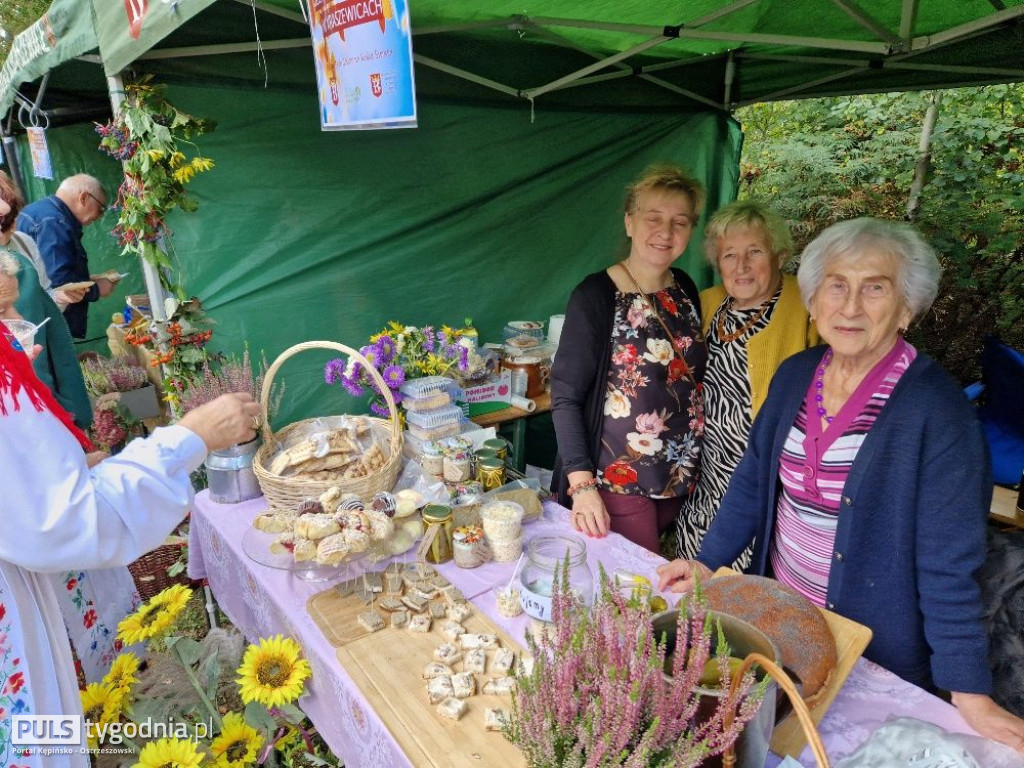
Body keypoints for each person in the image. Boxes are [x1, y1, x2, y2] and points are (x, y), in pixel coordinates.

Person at [656, 218, 1024, 753]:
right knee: (763, 741)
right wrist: (710, 561)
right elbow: (753, 481)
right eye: (836, 284)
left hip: (872, 649)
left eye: (875, 287)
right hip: (784, 620)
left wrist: (968, 692)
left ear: (906, 307)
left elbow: (950, 563)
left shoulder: (938, 414)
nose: (850, 306)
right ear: (813, 299)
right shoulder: (795, 375)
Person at [550, 163, 707, 554]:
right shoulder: (596, 295)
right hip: (620, 481)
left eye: (680, 222)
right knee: (635, 598)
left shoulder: (685, 287)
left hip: (682, 476)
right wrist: (582, 486)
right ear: (630, 223)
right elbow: (565, 394)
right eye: (653, 218)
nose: (666, 232)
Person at [676, 200, 817, 562]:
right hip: (707, 472)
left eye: (754, 252)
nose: (741, 267)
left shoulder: (809, 308)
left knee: (746, 585)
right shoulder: (707, 303)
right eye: (729, 255)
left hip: (765, 475)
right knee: (696, 573)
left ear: (779, 255)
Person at [0, 172, 93, 428]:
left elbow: (39, 312)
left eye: (8, 219)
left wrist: (60, 298)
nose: (9, 220)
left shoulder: (24, 245)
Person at [17, 173, 114, 339]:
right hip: (45, 321)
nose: (100, 215)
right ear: (84, 197)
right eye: (101, 208)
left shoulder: (41, 211)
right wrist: (97, 289)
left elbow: (47, 270)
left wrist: (86, 280)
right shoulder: (54, 222)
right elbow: (61, 285)